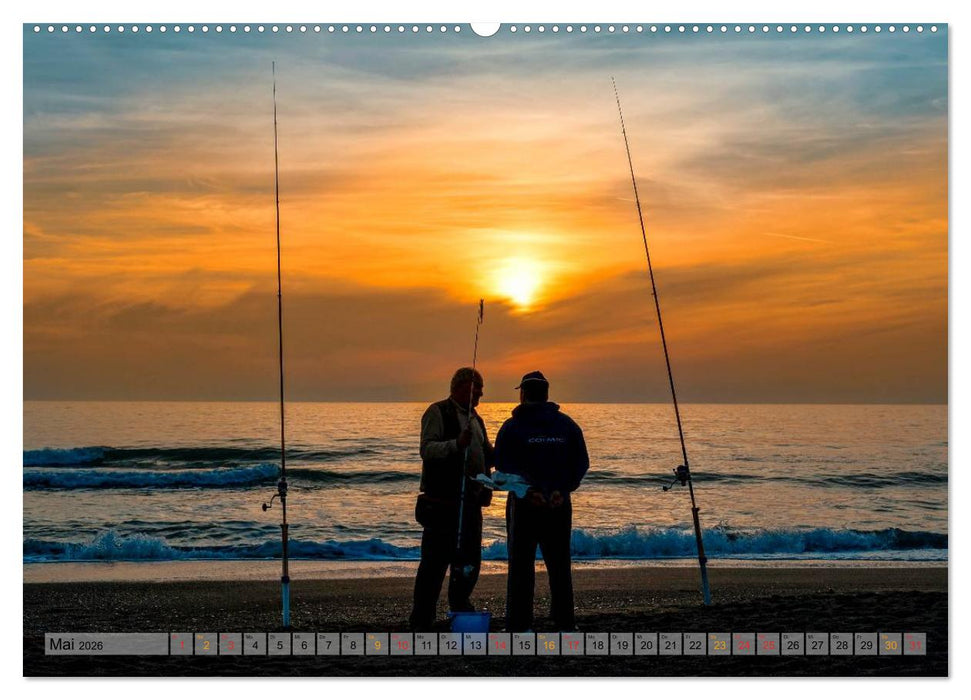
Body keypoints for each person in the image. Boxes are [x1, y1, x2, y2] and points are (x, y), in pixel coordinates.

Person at [494, 370, 589, 632]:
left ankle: (519, 624)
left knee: (521, 565)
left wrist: (528, 489)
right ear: (546, 396)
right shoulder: (567, 425)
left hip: (525, 504)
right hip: (558, 504)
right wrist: (563, 489)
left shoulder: (512, 427)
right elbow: (581, 462)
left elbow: (501, 463)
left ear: (523, 395)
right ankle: (565, 622)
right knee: (559, 564)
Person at [409, 367, 494, 631]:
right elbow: (426, 449)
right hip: (441, 503)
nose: (481, 392)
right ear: (459, 387)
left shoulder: (476, 419)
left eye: (480, 387)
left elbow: (486, 454)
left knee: (469, 562)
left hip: (470, 503)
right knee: (434, 565)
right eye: (476, 386)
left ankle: (460, 607)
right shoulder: (437, 412)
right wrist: (456, 444)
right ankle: (422, 618)